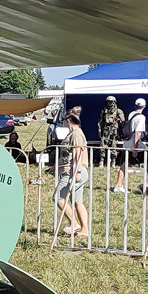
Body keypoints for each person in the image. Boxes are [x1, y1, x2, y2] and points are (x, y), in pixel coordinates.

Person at [52, 105, 90, 245]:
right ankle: (84, 230)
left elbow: (78, 153)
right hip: (72, 170)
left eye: (63, 119)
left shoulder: (76, 134)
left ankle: (75, 224)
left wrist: (77, 172)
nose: (63, 122)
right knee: (77, 201)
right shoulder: (73, 133)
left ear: (69, 120)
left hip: (73, 172)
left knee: (58, 197)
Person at [113, 97, 148, 192]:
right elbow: (138, 133)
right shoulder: (141, 117)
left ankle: (118, 185)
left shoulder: (131, 114)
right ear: (144, 107)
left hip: (127, 143)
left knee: (123, 165)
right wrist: (135, 149)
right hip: (136, 145)